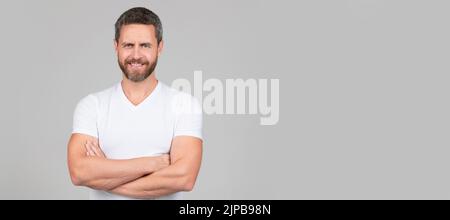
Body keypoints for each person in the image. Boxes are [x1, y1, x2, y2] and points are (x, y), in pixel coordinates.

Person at [67, 7, 203, 200]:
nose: (136, 55)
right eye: (128, 45)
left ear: (160, 47)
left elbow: (184, 178)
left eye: (145, 45)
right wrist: (151, 164)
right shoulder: (92, 106)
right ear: (116, 47)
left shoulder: (184, 105)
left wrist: (104, 175)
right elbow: (79, 172)